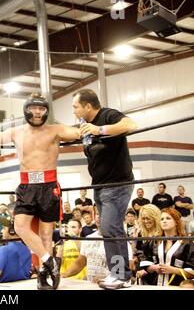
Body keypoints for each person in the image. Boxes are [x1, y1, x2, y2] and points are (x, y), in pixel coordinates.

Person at [0, 94, 80, 290]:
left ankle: (43, 276)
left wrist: (90, 126)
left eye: (41, 109)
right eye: (33, 108)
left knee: (46, 233)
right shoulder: (16, 132)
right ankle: (50, 261)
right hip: (27, 186)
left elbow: (77, 132)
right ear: (26, 110)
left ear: (46, 111)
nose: (37, 112)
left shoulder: (55, 130)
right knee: (20, 227)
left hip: (49, 185)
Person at [72, 88, 137, 289]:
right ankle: (117, 274)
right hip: (100, 185)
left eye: (76, 106)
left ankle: (121, 276)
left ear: (88, 106)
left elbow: (131, 124)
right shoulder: (83, 125)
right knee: (108, 229)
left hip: (117, 183)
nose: (73, 110)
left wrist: (100, 130)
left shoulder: (107, 115)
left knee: (111, 228)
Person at [0, 217, 32, 283]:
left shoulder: (4, 250)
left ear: (11, 231)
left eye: (4, 228)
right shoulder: (27, 249)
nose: (1, 231)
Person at [135, 204, 161, 285]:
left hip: (158, 273)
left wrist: (147, 269)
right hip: (142, 271)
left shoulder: (161, 233)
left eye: (148, 218)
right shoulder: (141, 233)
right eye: (143, 218)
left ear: (155, 217)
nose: (146, 221)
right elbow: (139, 252)